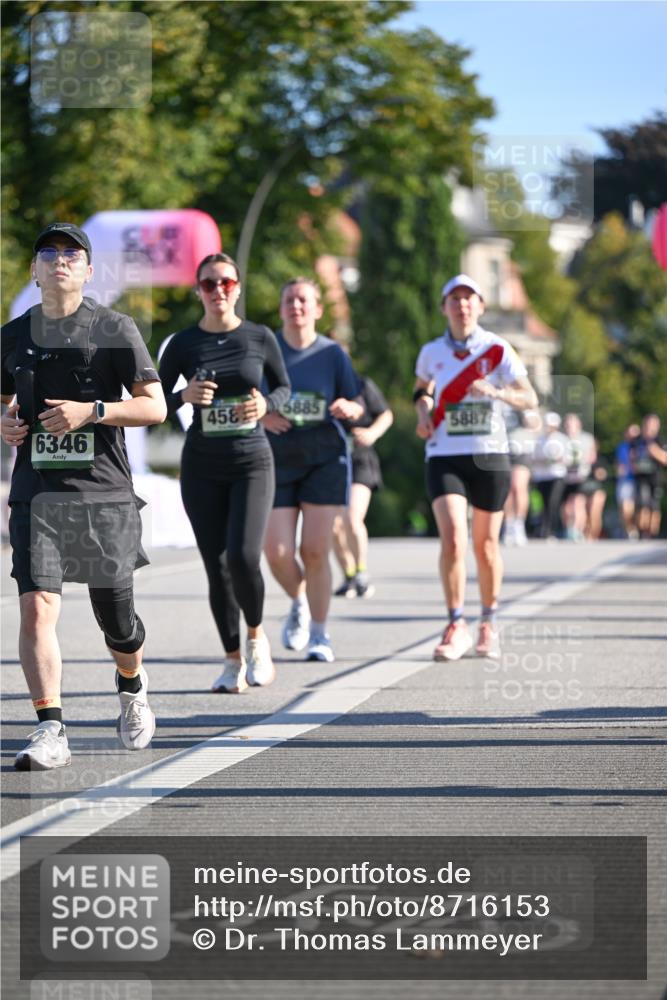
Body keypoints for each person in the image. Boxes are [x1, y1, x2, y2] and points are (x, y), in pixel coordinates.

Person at [1, 222, 167, 770]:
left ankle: (132, 685)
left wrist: (92, 412)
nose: (59, 260)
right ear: (34, 269)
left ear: (89, 270)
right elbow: (4, 402)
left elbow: (154, 408)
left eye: (72, 253)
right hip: (37, 493)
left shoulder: (114, 328)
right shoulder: (12, 335)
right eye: (47, 252)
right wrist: (6, 423)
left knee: (116, 620)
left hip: (103, 495)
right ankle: (51, 727)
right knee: (36, 608)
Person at [158, 253, 290, 693]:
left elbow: (284, 388)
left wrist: (267, 404)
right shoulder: (182, 343)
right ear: (198, 290)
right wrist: (184, 395)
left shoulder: (259, 336)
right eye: (210, 284)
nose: (219, 291)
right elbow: (153, 403)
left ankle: (256, 638)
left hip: (252, 461)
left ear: (238, 287)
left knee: (243, 556)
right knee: (216, 567)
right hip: (202, 465)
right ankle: (232, 660)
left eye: (227, 283)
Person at [413, 273, 537, 661]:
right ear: (444, 307)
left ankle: (488, 621)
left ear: (480, 306)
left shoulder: (497, 349)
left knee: (484, 546)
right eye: (455, 299)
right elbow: (422, 390)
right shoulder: (432, 351)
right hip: (444, 453)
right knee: (452, 539)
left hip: (489, 455)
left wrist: (496, 392)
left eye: (469, 299)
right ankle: (455, 622)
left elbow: (529, 398)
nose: (462, 305)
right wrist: (424, 410)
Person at [263, 277, 363, 663]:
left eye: (304, 300)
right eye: (289, 299)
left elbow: (354, 400)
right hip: (277, 457)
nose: (297, 306)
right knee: (276, 551)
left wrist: (351, 410)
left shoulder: (333, 354)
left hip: (324, 457)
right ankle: (299, 600)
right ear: (281, 307)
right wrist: (263, 418)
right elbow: (250, 398)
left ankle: (320, 634)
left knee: (315, 549)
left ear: (318, 309)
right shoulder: (266, 348)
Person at [332, 374, 393, 598]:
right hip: (328, 462)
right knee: (333, 527)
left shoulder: (362, 384)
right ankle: (348, 575)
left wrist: (371, 433)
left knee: (352, 517)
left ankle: (361, 573)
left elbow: (386, 414)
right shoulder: (317, 382)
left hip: (360, 460)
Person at [503, 408, 541, 546]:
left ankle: (519, 524)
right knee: (506, 489)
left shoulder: (524, 399)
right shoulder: (495, 397)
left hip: (522, 450)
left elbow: (535, 425)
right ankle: (508, 525)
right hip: (502, 449)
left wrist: (522, 411)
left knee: (518, 486)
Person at [531, 412, 570, 540]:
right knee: (543, 503)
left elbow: (568, 459)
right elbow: (534, 457)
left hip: (556, 475)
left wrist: (557, 459)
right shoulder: (540, 439)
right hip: (542, 476)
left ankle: (551, 530)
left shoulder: (562, 439)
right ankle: (543, 529)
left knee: (553, 502)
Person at [629, 413, 667, 539]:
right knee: (641, 504)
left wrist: (654, 451)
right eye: (648, 424)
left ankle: (652, 533)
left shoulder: (660, 440)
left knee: (654, 506)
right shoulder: (636, 440)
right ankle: (642, 532)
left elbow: (665, 459)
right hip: (640, 477)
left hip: (655, 477)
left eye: (653, 424)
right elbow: (630, 458)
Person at [560, 412, 597, 541]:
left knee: (578, 503)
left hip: (581, 476)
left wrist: (580, 462)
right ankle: (568, 529)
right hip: (565, 477)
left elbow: (592, 456)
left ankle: (577, 530)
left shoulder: (587, 438)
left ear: (578, 424)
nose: (569, 426)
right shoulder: (561, 439)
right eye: (567, 423)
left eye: (572, 423)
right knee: (566, 506)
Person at [615, 423, 640, 539]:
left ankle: (632, 529)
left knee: (634, 508)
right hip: (626, 480)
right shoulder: (622, 447)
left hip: (640, 481)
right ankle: (629, 530)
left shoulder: (641, 447)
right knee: (624, 508)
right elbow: (619, 464)